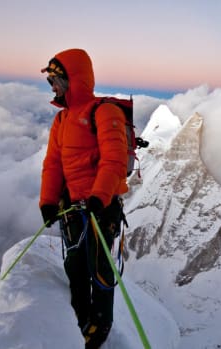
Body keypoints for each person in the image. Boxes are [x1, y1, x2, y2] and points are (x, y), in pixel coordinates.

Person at [39, 48, 128, 349]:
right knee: (75, 265)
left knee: (100, 267)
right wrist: (48, 202)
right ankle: (80, 319)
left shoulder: (104, 111)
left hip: (100, 207)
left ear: (71, 79)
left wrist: (99, 197)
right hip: (72, 209)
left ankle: (100, 327)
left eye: (54, 79)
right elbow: (53, 164)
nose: (51, 86)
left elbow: (114, 161)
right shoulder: (62, 121)